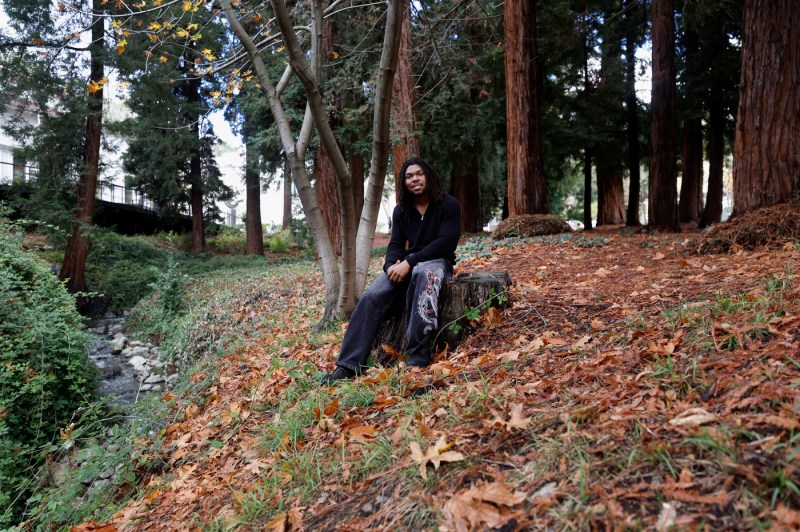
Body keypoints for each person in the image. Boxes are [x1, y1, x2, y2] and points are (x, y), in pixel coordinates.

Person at [323, 157, 461, 383]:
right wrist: (390, 267)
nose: (415, 179)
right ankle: (347, 365)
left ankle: (418, 355)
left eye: (419, 174)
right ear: (404, 182)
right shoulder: (401, 211)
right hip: (408, 265)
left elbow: (447, 242)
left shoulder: (449, 204)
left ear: (428, 176)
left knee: (422, 274)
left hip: (437, 263)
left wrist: (410, 262)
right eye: (409, 176)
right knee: (372, 296)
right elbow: (395, 245)